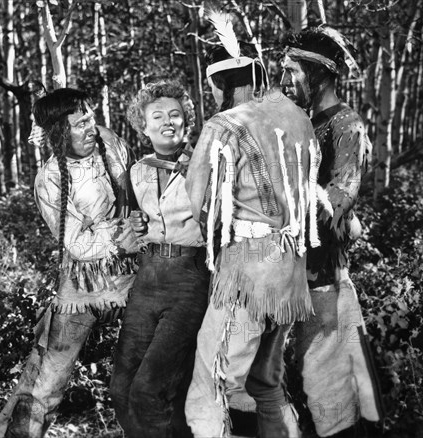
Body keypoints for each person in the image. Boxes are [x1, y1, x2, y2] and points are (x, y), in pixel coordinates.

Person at [183, 11, 321, 438]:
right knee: (262, 384)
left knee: (213, 383)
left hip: (246, 271)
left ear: (228, 84)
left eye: (220, 87)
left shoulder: (224, 125)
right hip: (289, 274)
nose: (219, 95)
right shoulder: (299, 119)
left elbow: (198, 200)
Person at [0, 88, 138, 438]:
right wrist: (121, 232)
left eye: (91, 116)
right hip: (81, 285)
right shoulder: (50, 178)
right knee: (47, 380)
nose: (91, 126)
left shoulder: (109, 143)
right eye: (80, 122)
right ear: (59, 132)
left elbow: (135, 192)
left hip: (132, 277)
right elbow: (77, 242)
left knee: (142, 372)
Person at [281, 26, 383, 437]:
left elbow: (337, 205)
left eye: (293, 71)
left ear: (319, 74)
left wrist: (284, 192)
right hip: (289, 278)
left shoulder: (348, 126)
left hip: (326, 284)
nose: (286, 81)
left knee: (334, 402)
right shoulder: (300, 121)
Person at [109, 80, 210, 438]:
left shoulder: (205, 165)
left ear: (187, 122)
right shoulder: (136, 172)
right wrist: (132, 230)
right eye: (158, 116)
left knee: (151, 388)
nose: (168, 122)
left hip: (190, 277)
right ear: (144, 125)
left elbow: (222, 223)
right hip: (148, 277)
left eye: (176, 115)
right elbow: (126, 237)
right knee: (121, 389)